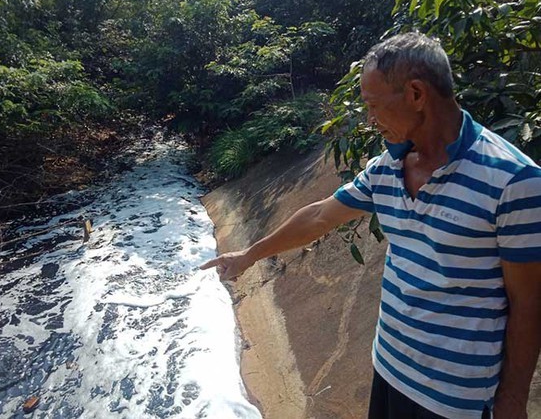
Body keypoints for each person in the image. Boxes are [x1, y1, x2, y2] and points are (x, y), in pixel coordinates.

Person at [200, 32, 541, 419]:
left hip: (455, 398)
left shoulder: (514, 181)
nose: (370, 120)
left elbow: (528, 303)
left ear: (416, 94)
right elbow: (319, 216)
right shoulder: (387, 168)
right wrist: (248, 255)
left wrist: (512, 399)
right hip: (390, 368)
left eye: (374, 105)